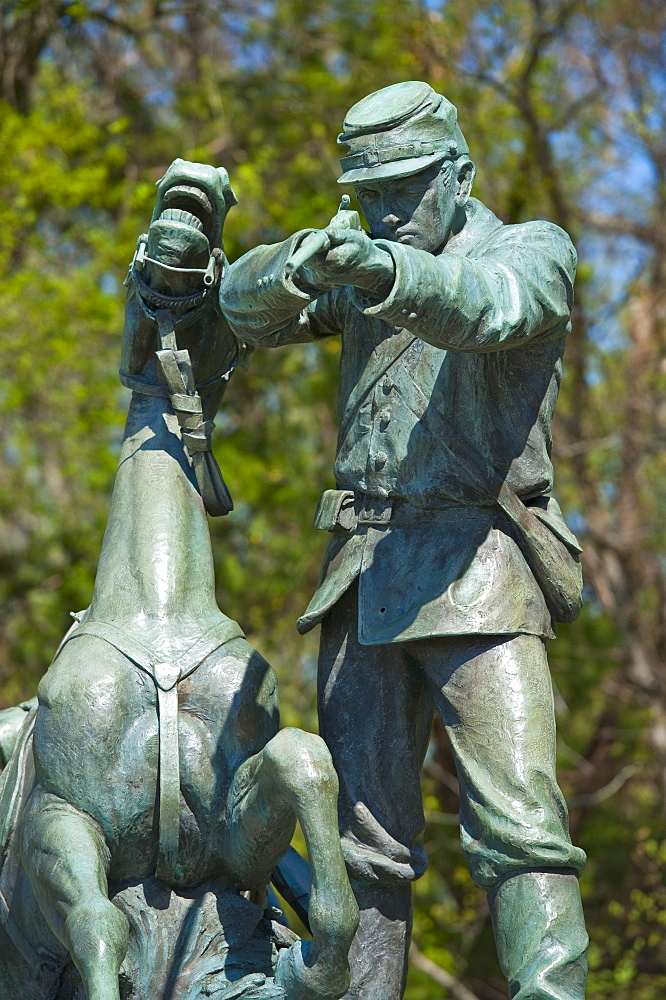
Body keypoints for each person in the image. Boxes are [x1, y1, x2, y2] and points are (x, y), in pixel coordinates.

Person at [219, 80, 588, 1000]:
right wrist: (304, 261)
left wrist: (380, 273)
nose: (386, 210)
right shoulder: (370, 259)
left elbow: (490, 308)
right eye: (369, 193)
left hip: (480, 571)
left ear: (457, 175)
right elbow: (239, 310)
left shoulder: (528, 250)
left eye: (406, 188)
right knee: (361, 849)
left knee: (522, 831)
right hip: (363, 575)